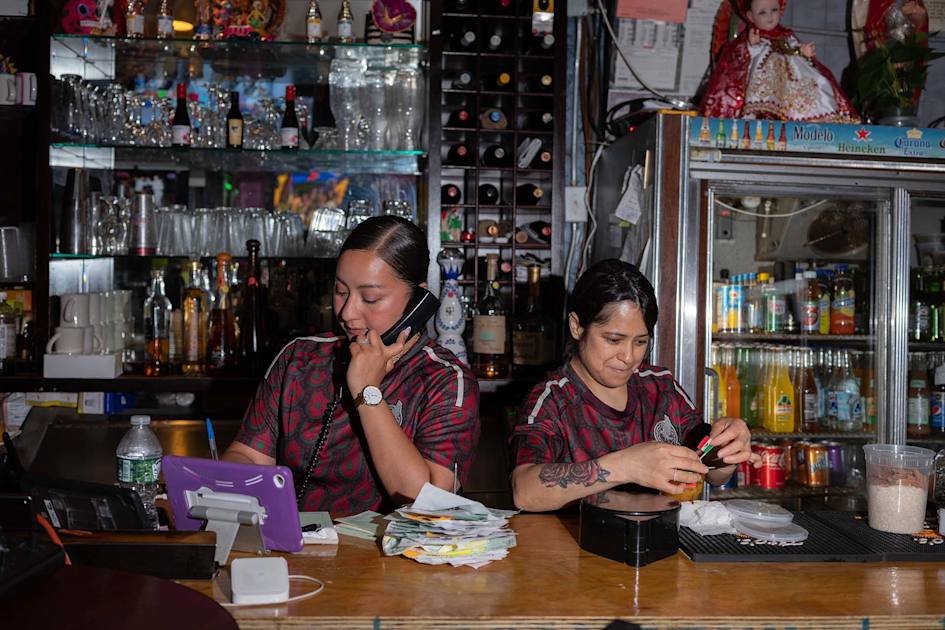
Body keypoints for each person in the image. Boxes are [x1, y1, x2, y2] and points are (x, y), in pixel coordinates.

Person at [224, 216, 480, 515]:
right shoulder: (299, 358)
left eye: (370, 298)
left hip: (393, 558)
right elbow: (248, 455)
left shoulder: (445, 380)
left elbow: (424, 501)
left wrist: (367, 390)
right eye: (341, 291)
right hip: (299, 551)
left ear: (417, 299)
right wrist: (224, 487)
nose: (347, 312)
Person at [510, 259, 758, 512]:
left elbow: (712, 472)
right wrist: (626, 466)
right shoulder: (553, 399)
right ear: (577, 326)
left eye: (640, 342)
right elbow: (524, 490)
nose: (628, 357)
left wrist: (727, 453)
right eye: (614, 340)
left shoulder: (660, 386)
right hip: (577, 546)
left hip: (659, 543)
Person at [700, 0, 859, 123]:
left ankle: (814, 115)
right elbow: (745, 59)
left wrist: (803, 51)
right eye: (762, 12)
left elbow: (794, 47)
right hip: (767, 77)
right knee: (771, 73)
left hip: (795, 78)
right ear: (750, 16)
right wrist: (752, 46)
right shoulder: (753, 36)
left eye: (774, 10)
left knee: (818, 81)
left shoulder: (786, 35)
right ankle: (763, 113)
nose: (770, 16)